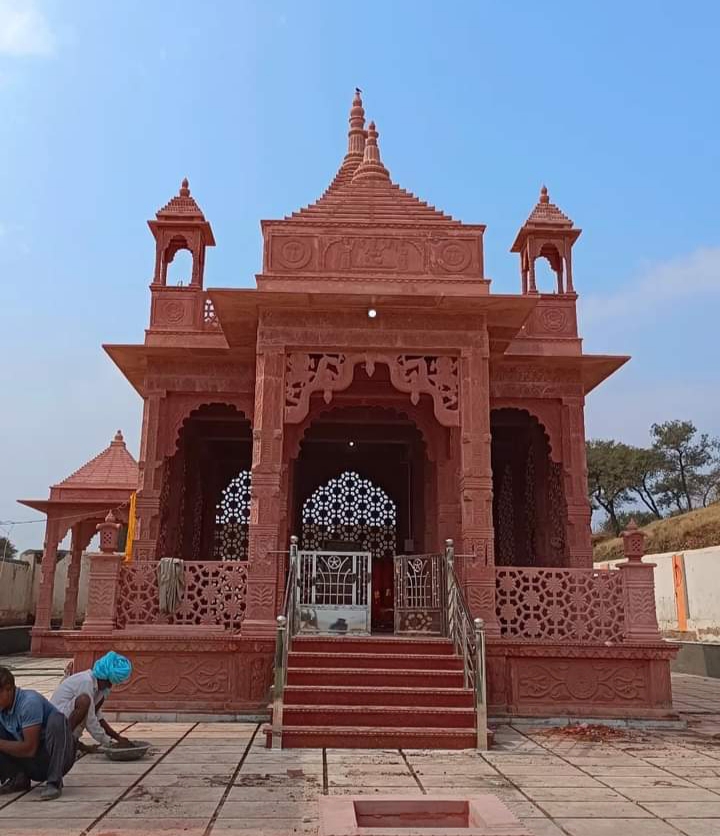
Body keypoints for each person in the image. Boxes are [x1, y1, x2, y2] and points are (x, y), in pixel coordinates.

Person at [0, 665, 76, 801]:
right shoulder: (3, 707)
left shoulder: (29, 703)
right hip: (31, 763)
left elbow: (30, 749)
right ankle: (18, 778)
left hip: (53, 758)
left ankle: (54, 781)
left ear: (9, 689)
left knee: (57, 719)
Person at [51, 652, 133, 752]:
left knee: (88, 706)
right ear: (106, 678)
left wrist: (117, 737)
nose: (111, 686)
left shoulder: (101, 690)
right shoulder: (86, 681)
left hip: (67, 720)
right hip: (56, 722)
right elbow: (90, 720)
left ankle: (73, 742)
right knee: (84, 701)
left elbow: (98, 717)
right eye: (111, 682)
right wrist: (109, 743)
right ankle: (63, 741)